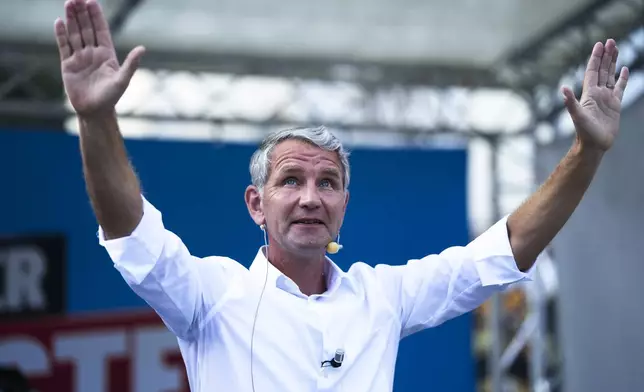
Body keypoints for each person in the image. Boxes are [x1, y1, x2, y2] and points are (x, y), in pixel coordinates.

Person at [54, 0, 629, 391]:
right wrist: (97, 116)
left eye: (327, 183)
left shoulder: (381, 297)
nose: (310, 197)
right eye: (290, 181)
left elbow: (504, 252)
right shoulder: (210, 295)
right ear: (256, 204)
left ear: (344, 205)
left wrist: (587, 154)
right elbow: (130, 230)